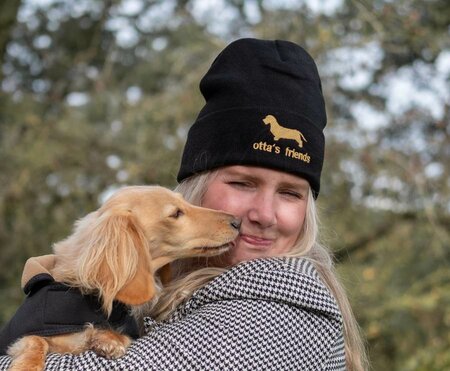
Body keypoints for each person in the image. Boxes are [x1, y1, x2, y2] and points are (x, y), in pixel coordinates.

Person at [0, 38, 368, 370]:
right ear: (196, 188)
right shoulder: (175, 295)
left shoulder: (283, 310)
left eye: (290, 193)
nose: (264, 215)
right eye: (242, 183)